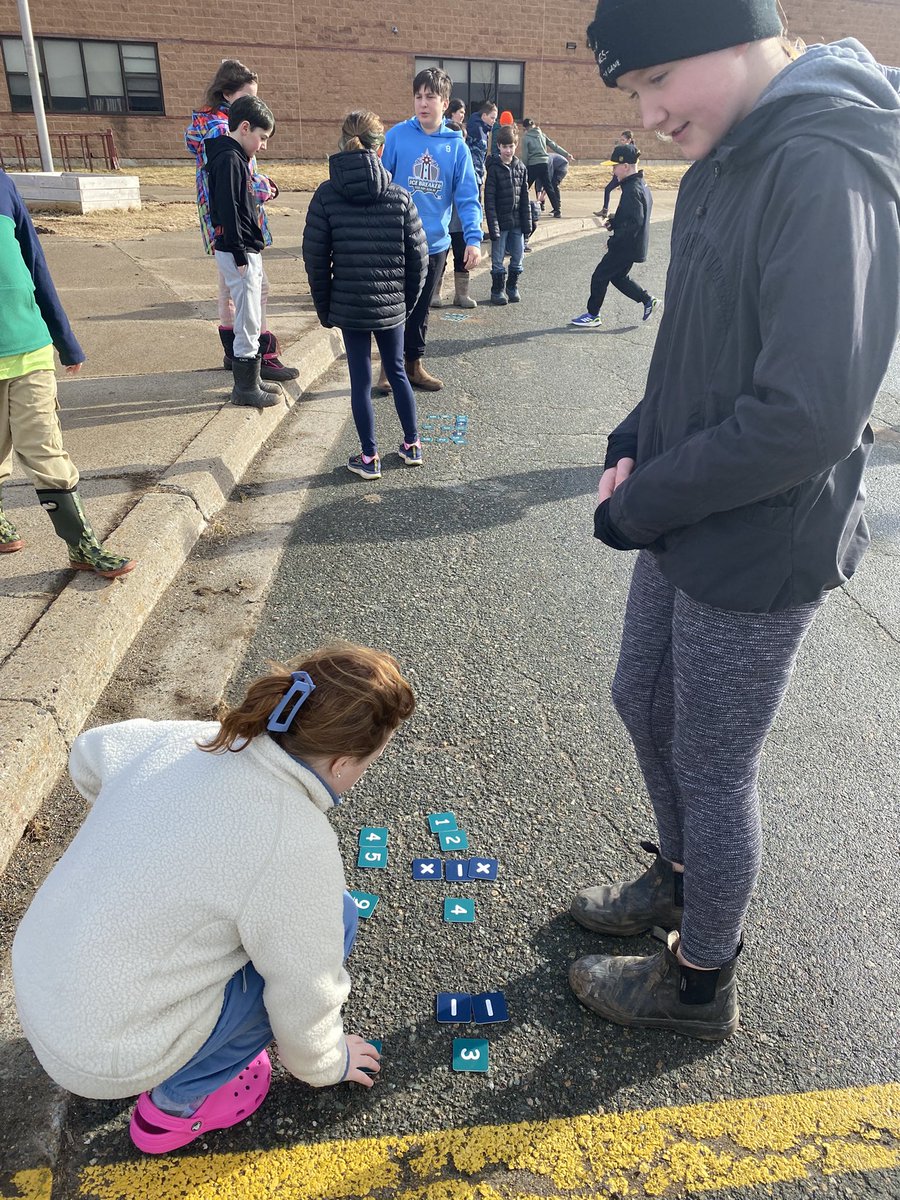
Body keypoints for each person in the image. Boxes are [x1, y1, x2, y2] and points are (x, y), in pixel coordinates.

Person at [568, 0, 900, 1042]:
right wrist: (635, 433)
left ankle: (699, 979)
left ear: (746, 35)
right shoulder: (726, 154)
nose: (653, 113)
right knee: (640, 697)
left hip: (760, 535)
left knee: (714, 762)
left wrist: (644, 505)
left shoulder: (822, 163)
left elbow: (807, 414)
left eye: (660, 79)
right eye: (633, 93)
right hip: (686, 501)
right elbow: (695, 346)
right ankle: (679, 875)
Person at [12, 643, 415, 1154]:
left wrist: (141, 827)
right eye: (367, 763)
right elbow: (304, 993)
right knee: (336, 917)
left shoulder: (194, 739)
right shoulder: (295, 841)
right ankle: (176, 1109)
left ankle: (156, 1047)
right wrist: (326, 1062)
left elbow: (88, 752)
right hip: (100, 1056)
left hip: (36, 987)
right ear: (340, 763)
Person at [0, 170, 134, 578]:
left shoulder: (2, 184)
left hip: (30, 346)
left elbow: (34, 262)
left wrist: (64, 338)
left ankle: (82, 545)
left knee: (45, 449)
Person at [302, 111, 428, 480]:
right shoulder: (399, 195)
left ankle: (369, 457)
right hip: (392, 306)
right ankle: (412, 444)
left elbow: (315, 258)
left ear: (342, 142)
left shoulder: (326, 196)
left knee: (360, 380)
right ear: (382, 147)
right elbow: (418, 258)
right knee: (398, 372)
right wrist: (405, 302)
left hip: (351, 304)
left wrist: (326, 309)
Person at [184, 60, 299, 384]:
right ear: (228, 95)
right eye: (247, 95)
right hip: (233, 228)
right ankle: (255, 356)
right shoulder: (226, 133)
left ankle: (237, 354)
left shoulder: (213, 126)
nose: (254, 103)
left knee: (231, 289)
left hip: (221, 225)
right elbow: (236, 186)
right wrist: (267, 187)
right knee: (252, 291)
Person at [378, 66, 482, 392]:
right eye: (418, 96)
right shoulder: (396, 136)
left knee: (421, 307)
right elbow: (379, 184)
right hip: (396, 239)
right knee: (393, 306)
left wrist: (474, 238)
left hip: (434, 243)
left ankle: (413, 364)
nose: (423, 103)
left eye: (431, 97)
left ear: (445, 102)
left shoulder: (456, 147)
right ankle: (387, 367)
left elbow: (467, 197)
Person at [205, 95, 282, 410]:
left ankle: (251, 378)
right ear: (245, 127)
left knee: (250, 314)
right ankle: (245, 387)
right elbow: (229, 210)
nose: (263, 145)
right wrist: (238, 253)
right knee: (248, 316)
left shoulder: (233, 158)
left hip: (243, 247)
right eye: (262, 138)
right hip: (239, 251)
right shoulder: (230, 160)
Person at [570, 143, 658, 327]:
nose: (613, 171)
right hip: (633, 245)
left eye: (615, 167)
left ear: (625, 166)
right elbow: (632, 215)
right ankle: (647, 299)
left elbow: (635, 222)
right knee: (617, 277)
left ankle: (593, 315)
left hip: (625, 246)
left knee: (599, 276)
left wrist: (613, 241)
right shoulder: (639, 184)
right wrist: (614, 221)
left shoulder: (632, 190)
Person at [431, 119, 479, 310]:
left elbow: (471, 193)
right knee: (439, 259)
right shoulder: (440, 158)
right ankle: (435, 293)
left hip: (460, 221)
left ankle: (462, 294)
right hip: (441, 220)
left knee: (462, 257)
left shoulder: (464, 158)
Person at [484, 125, 531, 304]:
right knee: (498, 259)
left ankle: (512, 286)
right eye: (504, 147)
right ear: (498, 146)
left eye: (511, 146)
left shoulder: (521, 168)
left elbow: (525, 198)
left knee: (518, 256)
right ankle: (497, 290)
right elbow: (489, 200)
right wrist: (493, 226)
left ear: (516, 145)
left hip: (517, 222)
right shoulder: (494, 169)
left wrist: (528, 225)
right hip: (501, 222)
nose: (508, 150)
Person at [520, 118, 574, 217]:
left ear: (525, 128)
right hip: (544, 163)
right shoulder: (542, 134)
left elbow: (525, 155)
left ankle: (518, 206)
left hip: (533, 164)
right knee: (549, 187)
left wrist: (524, 167)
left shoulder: (526, 138)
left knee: (525, 186)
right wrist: (566, 154)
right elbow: (554, 146)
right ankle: (557, 210)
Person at [595, 130, 637, 218]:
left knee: (621, 192)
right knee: (622, 192)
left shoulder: (628, 150)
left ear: (629, 140)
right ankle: (606, 210)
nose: (622, 142)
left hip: (623, 174)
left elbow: (620, 162)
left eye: (623, 140)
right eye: (621, 140)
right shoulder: (631, 149)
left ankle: (608, 210)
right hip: (623, 174)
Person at [466, 100, 498, 186]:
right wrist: (479, 174)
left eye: (495, 119)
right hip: (473, 175)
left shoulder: (483, 130)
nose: (494, 121)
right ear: (484, 116)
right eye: (492, 118)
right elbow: (476, 155)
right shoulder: (477, 131)